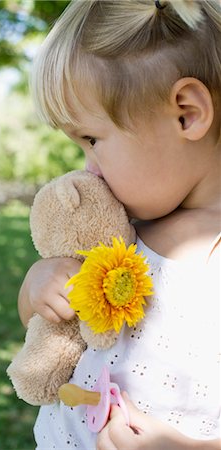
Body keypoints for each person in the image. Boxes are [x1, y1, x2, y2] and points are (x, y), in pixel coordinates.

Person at [18, 0, 221, 448]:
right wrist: (38, 287)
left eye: (92, 139)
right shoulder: (116, 227)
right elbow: (51, 326)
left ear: (187, 113)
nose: (88, 169)